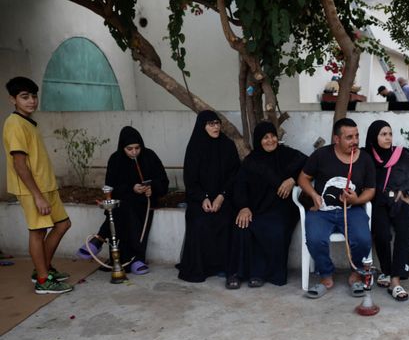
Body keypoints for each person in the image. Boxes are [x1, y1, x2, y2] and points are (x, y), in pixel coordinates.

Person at [3, 77, 72, 294]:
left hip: (46, 186)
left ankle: (41, 269)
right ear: (12, 100)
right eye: (25, 97)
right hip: (33, 190)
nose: (31, 101)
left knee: (63, 224)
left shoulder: (28, 122)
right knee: (38, 231)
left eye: (33, 96)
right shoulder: (14, 124)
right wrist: (37, 196)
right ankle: (43, 280)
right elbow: (19, 164)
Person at [298, 117, 375, 298]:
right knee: (315, 239)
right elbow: (303, 178)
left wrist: (356, 200)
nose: (355, 141)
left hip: (352, 210)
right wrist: (314, 195)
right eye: (349, 137)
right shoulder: (321, 155)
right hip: (322, 211)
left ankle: (355, 274)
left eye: (356, 136)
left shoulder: (364, 159)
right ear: (336, 139)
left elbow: (371, 190)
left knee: (363, 239)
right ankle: (326, 276)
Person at [77, 126, 169, 275]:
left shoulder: (149, 156)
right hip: (124, 201)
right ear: (122, 147)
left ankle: (100, 238)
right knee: (123, 207)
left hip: (146, 202)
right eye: (129, 149)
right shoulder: (116, 159)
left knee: (125, 209)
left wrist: (153, 188)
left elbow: (163, 182)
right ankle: (136, 259)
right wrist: (132, 188)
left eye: (137, 148)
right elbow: (110, 187)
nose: (134, 152)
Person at [227, 121, 306, 289]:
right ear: (258, 140)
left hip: (281, 207)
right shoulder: (251, 162)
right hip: (254, 207)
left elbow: (309, 163)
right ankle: (237, 273)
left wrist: (292, 179)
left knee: (273, 228)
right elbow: (239, 186)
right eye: (265, 137)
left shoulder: (287, 154)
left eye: (273, 136)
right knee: (241, 226)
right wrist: (243, 207)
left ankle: (261, 273)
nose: (270, 140)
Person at [364, 120, 409, 301]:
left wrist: (406, 189)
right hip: (378, 203)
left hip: (399, 202)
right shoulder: (366, 156)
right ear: (373, 137)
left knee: (402, 234)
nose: (388, 138)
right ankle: (386, 270)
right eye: (383, 134)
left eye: (390, 134)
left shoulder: (401, 154)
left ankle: (395, 280)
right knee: (382, 234)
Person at [177, 110, 240, 283]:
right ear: (202, 126)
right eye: (210, 124)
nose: (215, 127)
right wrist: (203, 197)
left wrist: (221, 196)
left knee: (226, 220)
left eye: (217, 123)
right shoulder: (195, 147)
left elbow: (234, 175)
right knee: (199, 222)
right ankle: (202, 267)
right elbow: (190, 179)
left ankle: (223, 266)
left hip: (224, 197)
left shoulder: (227, 145)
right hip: (199, 199)